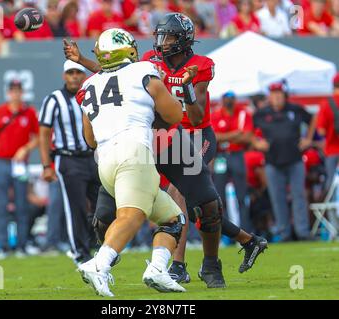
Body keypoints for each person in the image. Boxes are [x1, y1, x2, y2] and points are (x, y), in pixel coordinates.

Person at [65, 13, 267, 284]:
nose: (162, 42)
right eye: (161, 36)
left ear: (183, 39)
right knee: (105, 215)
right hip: (151, 137)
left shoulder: (200, 66)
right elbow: (115, 73)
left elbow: (195, 117)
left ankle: (201, 265)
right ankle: (247, 240)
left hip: (191, 135)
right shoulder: (148, 61)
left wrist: (187, 89)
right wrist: (83, 62)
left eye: (169, 36)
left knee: (198, 201)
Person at [78, 28, 186, 297]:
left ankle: (158, 270)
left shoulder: (89, 85)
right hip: (134, 153)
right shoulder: (142, 71)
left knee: (173, 219)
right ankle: (99, 265)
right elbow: (174, 115)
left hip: (105, 161)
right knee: (131, 215)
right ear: (127, 50)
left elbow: (89, 138)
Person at [39, 60, 100, 266]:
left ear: (84, 75)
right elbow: (44, 133)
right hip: (68, 159)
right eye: (70, 72)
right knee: (76, 208)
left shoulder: (92, 95)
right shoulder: (54, 100)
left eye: (78, 72)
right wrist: (46, 165)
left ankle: (100, 246)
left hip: (93, 156)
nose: (74, 76)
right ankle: (80, 252)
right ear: (64, 75)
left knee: (102, 205)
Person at [253, 82, 316, 241]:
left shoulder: (295, 109)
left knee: (299, 195)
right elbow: (248, 130)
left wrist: (308, 138)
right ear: (270, 97)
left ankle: (302, 232)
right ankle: (284, 232)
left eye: (279, 94)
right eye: (274, 94)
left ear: (284, 95)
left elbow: (314, 119)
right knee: (277, 197)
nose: (277, 97)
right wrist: (256, 142)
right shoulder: (261, 113)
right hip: (272, 161)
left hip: (295, 159)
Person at [0, 80, 39, 259]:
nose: (15, 94)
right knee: (2, 205)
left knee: (22, 205)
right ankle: (3, 246)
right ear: (8, 93)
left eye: (18, 91)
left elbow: (38, 137)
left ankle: (21, 245)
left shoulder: (29, 112)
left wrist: (26, 148)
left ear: (22, 93)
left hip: (20, 164)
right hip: (1, 162)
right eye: (12, 91)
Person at [211, 91, 254, 232]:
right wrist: (234, 135)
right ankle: (225, 231)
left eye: (231, 98)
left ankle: (245, 229)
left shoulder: (243, 113)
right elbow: (213, 137)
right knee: (219, 196)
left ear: (235, 99)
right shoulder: (216, 114)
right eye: (226, 98)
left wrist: (225, 137)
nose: (228, 101)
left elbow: (247, 137)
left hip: (237, 154)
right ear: (222, 99)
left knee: (242, 194)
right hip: (221, 156)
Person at [316, 73, 339, 191]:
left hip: (332, 151)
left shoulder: (326, 104)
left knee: (331, 184)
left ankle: (330, 209)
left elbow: (321, 131)